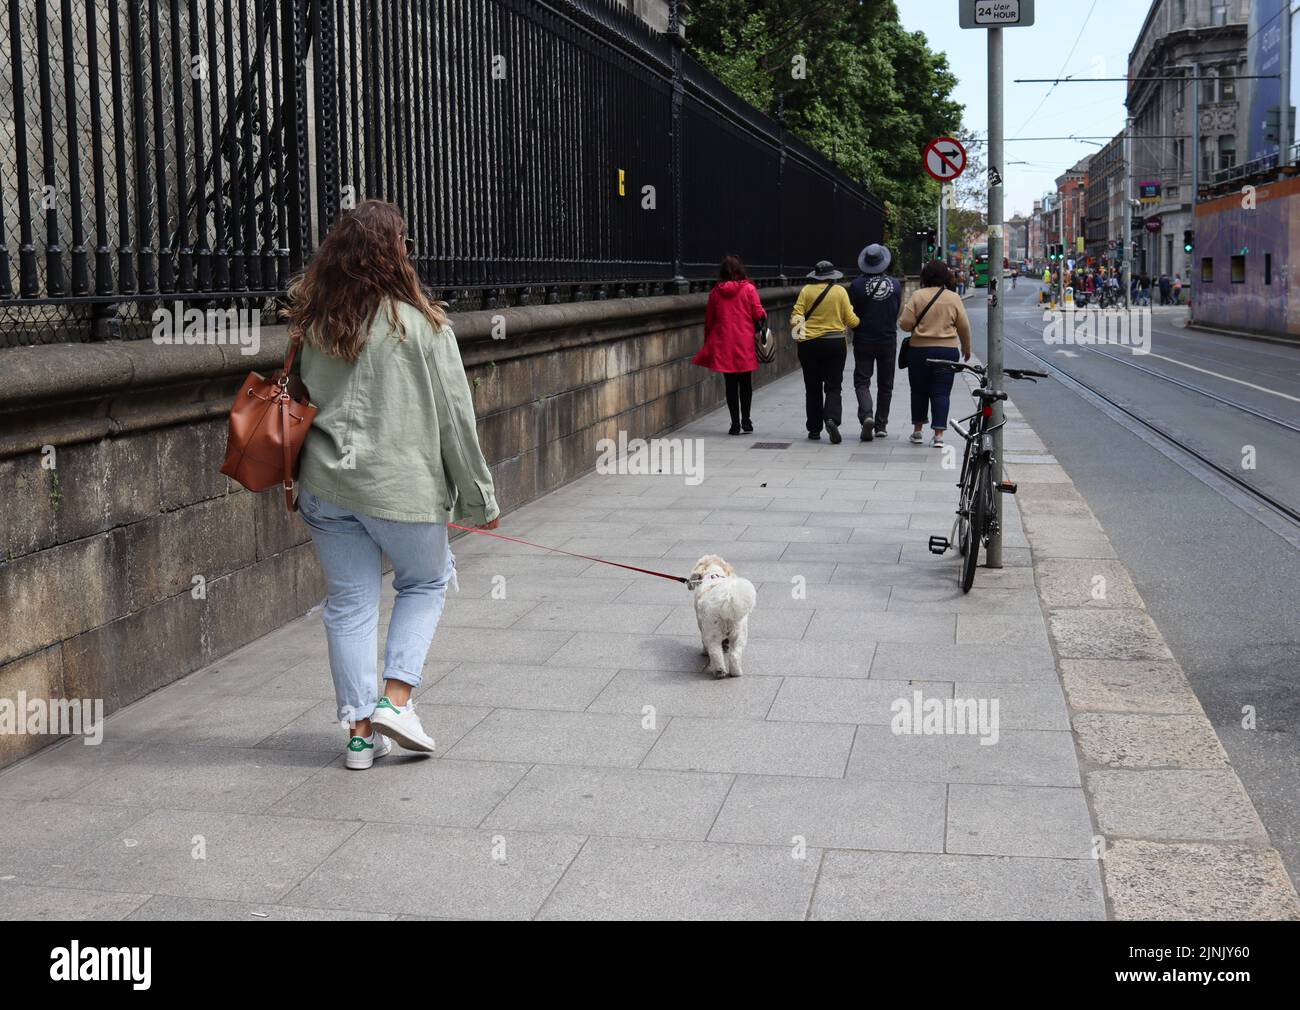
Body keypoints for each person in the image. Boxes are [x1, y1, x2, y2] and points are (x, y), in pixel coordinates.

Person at [286, 199, 501, 770]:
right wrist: (480, 499)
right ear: (395, 253)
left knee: (350, 604)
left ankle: (359, 735)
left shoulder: (314, 324)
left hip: (326, 485)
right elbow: (456, 420)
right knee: (426, 582)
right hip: (401, 490)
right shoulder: (425, 326)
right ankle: (397, 702)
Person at [899, 260, 972, 449]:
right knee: (941, 392)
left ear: (925, 276)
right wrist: (966, 347)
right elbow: (964, 326)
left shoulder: (917, 296)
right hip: (947, 351)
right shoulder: (953, 298)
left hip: (919, 351)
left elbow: (905, 324)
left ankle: (917, 431)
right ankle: (939, 435)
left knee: (919, 391)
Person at [694, 254, 766, 435]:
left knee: (731, 385)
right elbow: (759, 314)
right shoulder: (749, 289)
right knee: (746, 383)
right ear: (739, 270)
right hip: (744, 342)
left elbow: (709, 321)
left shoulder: (716, 292)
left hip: (724, 343)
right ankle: (746, 420)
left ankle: (734, 424)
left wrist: (708, 343)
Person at [791, 260, 859, 443]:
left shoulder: (806, 290)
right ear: (832, 276)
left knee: (812, 388)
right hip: (835, 344)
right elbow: (851, 320)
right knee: (833, 385)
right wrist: (859, 324)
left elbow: (796, 315)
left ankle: (814, 429)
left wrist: (800, 335)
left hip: (809, 345)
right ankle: (831, 418)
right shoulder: (840, 292)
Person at [848, 243, 901, 442]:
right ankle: (881, 425)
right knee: (886, 384)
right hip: (888, 338)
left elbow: (851, 312)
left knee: (862, 381)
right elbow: (896, 311)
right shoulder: (895, 284)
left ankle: (867, 415)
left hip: (864, 338)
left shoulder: (856, 285)